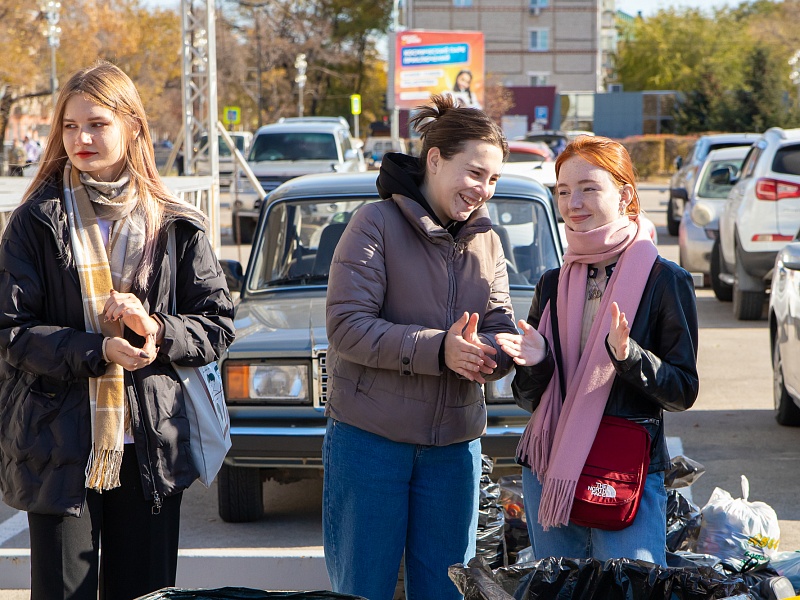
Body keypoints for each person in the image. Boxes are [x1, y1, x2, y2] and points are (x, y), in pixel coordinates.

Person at [0, 61, 235, 600]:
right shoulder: (35, 221)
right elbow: (12, 331)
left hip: (151, 447)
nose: (80, 139)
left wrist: (157, 328)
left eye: (97, 124)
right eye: (69, 126)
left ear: (133, 126)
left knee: (146, 594)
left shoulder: (173, 222)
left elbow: (216, 323)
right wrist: (98, 349)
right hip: (58, 448)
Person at [323, 93, 517, 600]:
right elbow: (347, 326)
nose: (483, 190)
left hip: (454, 450)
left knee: (447, 590)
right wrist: (440, 350)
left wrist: (493, 352)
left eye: (493, 179)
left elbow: (499, 325)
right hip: (371, 444)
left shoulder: (488, 241)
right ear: (434, 159)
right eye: (474, 173)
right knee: (362, 589)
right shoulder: (375, 223)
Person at [495, 135, 698, 566]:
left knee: (629, 588)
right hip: (548, 468)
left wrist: (629, 357)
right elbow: (528, 400)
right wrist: (537, 363)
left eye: (589, 188)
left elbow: (683, 390)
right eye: (564, 191)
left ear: (624, 195)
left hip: (623, 469)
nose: (574, 203)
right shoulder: (553, 282)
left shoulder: (665, 280)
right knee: (560, 590)